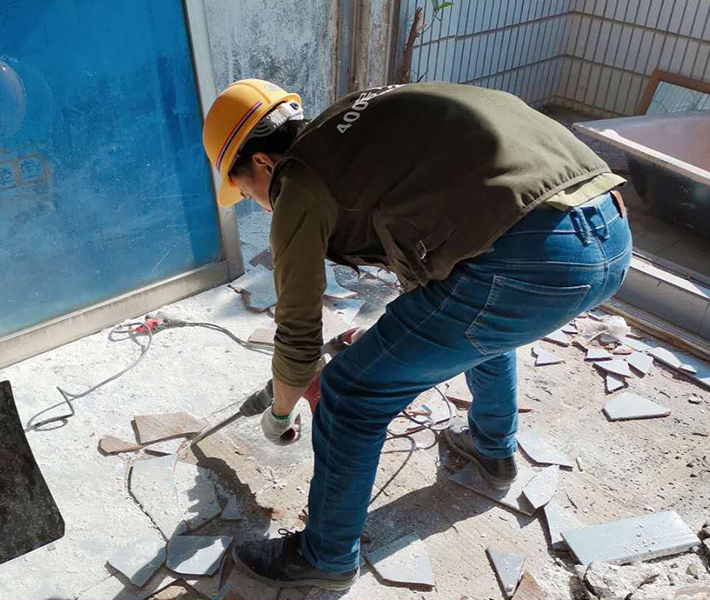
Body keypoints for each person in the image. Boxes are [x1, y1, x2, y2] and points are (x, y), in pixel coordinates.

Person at [201, 79, 632, 590]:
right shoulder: (354, 127)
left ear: (262, 162)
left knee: (350, 393)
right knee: (482, 325)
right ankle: (493, 451)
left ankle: (325, 557)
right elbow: (437, 237)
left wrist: (280, 411)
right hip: (607, 231)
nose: (254, 202)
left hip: (526, 263)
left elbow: (298, 333)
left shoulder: (300, 181)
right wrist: (386, 338)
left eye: (244, 189)